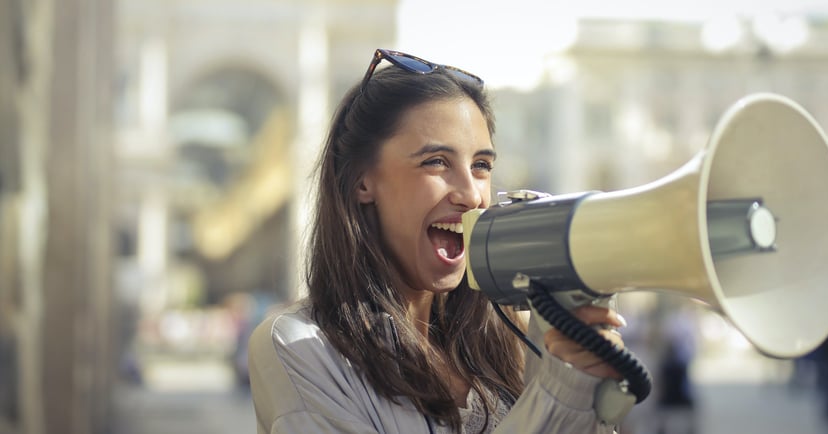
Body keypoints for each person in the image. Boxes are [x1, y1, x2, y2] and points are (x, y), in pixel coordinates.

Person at [247, 49, 631, 433]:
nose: (471, 194)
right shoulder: (297, 347)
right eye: (436, 162)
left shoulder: (514, 337)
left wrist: (588, 399)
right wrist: (556, 396)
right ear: (363, 181)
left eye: (481, 166)